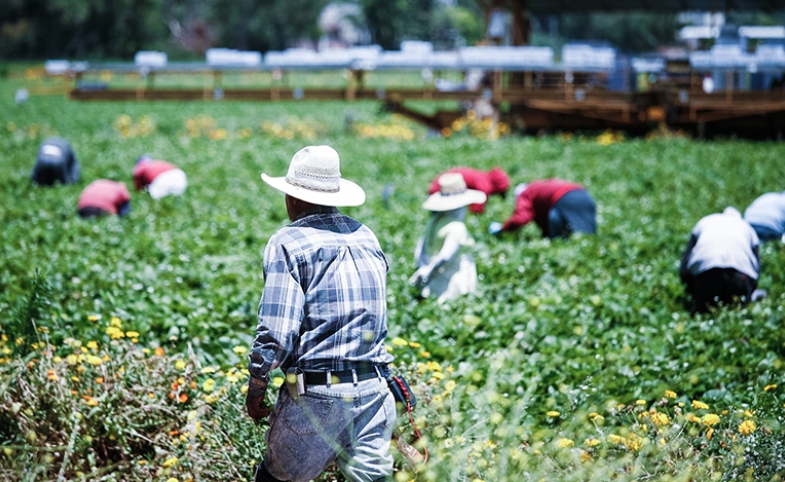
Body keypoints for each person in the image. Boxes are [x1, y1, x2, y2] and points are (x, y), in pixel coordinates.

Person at [247, 145, 396, 482]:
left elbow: (276, 332)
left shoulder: (288, 241)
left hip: (318, 396)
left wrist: (257, 386)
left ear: (294, 198)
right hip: (373, 389)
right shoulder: (365, 235)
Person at [410, 173, 486, 303]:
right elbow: (446, 256)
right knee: (455, 303)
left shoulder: (433, 220)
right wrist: (429, 271)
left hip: (433, 270)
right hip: (454, 274)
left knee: (434, 302)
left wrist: (423, 266)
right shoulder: (457, 227)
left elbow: (421, 246)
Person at [679, 207, 760, 313]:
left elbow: (684, 269)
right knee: (738, 312)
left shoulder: (705, 222)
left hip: (705, 274)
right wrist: (749, 290)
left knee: (705, 312)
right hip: (739, 276)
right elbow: (756, 269)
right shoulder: (747, 227)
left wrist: (692, 290)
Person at [489, 178, 596, 239]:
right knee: (589, 237)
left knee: (557, 239)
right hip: (585, 196)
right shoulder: (539, 187)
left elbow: (521, 218)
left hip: (566, 199)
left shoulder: (525, 194)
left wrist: (503, 228)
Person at [427, 167, 509, 213]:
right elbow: (476, 210)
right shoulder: (485, 186)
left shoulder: (483, 178)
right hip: (441, 190)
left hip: (439, 184)